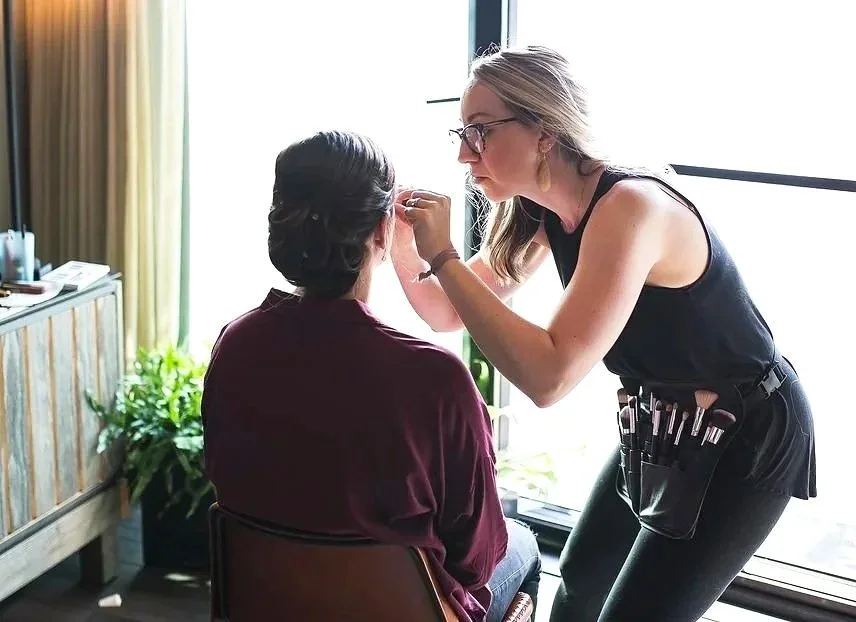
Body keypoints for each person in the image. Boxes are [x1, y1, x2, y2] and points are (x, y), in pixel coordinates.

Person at [392, 46, 816, 621]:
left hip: (746, 431)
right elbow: (449, 312)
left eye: (481, 132)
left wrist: (442, 253)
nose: (465, 154)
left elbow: (550, 375)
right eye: (460, 133)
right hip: (664, 422)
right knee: (580, 587)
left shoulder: (628, 207)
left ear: (544, 131)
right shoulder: (541, 209)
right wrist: (400, 245)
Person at [200, 130, 541, 622]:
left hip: (271, 604)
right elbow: (477, 559)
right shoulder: (434, 380)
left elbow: (230, 484)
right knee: (523, 547)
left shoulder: (236, 346)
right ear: (383, 231)